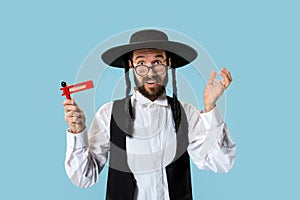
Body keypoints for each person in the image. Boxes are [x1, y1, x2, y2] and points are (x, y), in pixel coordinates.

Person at [63, 29, 236, 200]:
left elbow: (221, 162)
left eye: (157, 62)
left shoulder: (185, 113)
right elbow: (83, 177)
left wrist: (210, 107)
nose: (150, 73)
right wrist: (78, 132)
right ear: (131, 66)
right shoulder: (108, 114)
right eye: (141, 64)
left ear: (168, 63)